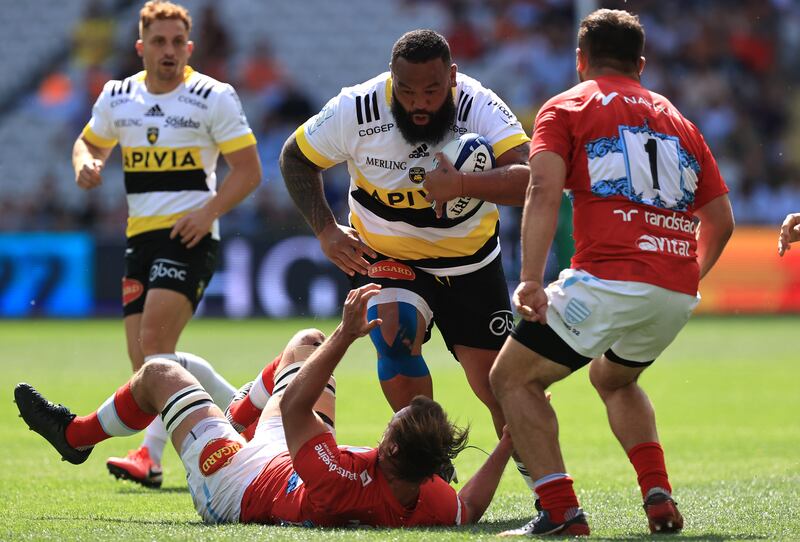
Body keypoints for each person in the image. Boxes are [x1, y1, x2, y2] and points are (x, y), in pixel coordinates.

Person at [489, 9, 735, 536]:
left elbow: (542, 189)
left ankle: (559, 512)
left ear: (581, 61)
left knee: (511, 378)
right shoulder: (682, 123)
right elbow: (721, 220)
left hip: (608, 278)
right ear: (641, 64)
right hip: (673, 288)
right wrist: (687, 273)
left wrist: (530, 277)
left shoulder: (567, 105)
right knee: (613, 377)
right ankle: (658, 496)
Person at [15, 284, 515, 527]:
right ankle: (234, 417)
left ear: (389, 450)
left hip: (236, 485)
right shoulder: (424, 498)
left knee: (159, 373)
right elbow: (468, 507)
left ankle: (74, 436)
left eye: (392, 425)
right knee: (304, 342)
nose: (386, 427)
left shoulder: (339, 479)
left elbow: (297, 407)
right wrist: (508, 443)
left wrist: (345, 334)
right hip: (286, 458)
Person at [279, 28, 533, 486]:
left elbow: (530, 178)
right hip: (389, 256)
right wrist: (324, 229)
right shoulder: (355, 108)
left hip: (470, 261)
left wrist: (461, 186)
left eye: (432, 91)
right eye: (407, 90)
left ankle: (544, 486)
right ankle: (430, 459)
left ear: (452, 78)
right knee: (393, 331)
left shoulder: (478, 104)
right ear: (390, 77)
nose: (419, 102)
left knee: (499, 387)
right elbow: (294, 157)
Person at [71, 0, 262, 488]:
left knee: (155, 347)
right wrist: (85, 164)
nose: (169, 50)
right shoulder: (117, 97)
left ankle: (149, 457)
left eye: (178, 42)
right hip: (141, 238)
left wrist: (208, 212)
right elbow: (89, 142)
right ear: (140, 48)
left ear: (190, 47)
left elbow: (249, 171)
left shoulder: (212, 95)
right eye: (159, 41)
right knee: (145, 364)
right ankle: (241, 407)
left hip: (190, 235)